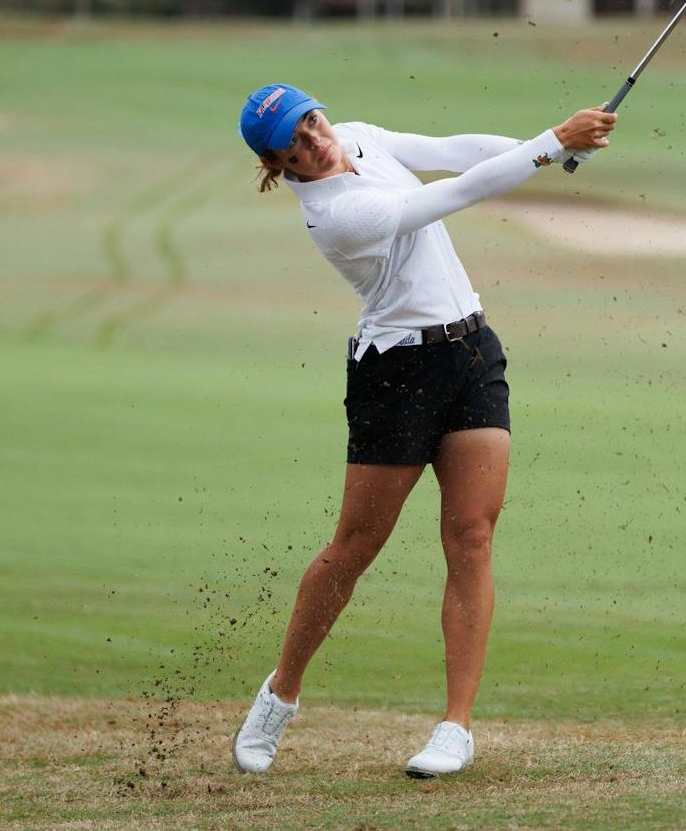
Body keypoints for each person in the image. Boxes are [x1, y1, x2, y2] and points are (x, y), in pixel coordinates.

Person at [230, 83, 617, 778]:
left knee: (471, 536)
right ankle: (281, 690)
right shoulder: (337, 215)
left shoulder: (353, 134)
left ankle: (454, 727)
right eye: (298, 144)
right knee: (355, 546)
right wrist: (552, 144)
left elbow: (449, 153)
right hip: (395, 373)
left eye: (312, 122)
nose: (317, 140)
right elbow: (448, 195)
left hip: (470, 351)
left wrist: (544, 152)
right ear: (281, 164)